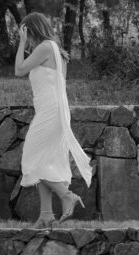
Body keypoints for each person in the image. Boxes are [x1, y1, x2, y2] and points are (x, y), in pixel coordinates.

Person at [14, 12, 93, 228]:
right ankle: (46, 215)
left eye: (25, 33)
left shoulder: (46, 47)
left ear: (31, 30)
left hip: (51, 111)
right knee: (44, 159)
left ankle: (66, 195)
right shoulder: (56, 51)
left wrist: (21, 43)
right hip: (53, 111)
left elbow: (19, 70)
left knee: (31, 158)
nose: (26, 38)